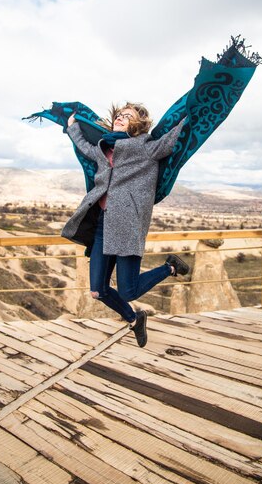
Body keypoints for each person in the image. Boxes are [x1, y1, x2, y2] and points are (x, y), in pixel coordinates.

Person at [61, 103, 190, 348]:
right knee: (98, 291)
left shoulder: (146, 147)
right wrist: (72, 128)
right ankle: (134, 319)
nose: (120, 118)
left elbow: (172, 141)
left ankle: (171, 268)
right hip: (102, 226)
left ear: (137, 125)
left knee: (129, 291)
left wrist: (192, 111)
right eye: (119, 115)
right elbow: (86, 149)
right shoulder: (104, 147)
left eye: (127, 116)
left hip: (128, 226)